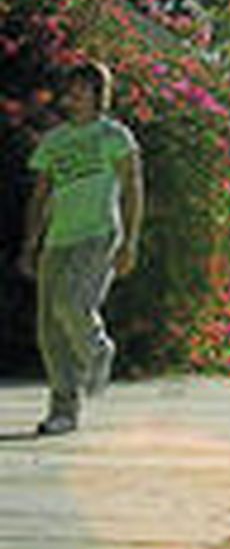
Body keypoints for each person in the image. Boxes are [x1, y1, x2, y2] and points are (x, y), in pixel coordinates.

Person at [17, 61, 143, 436]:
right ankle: (63, 411)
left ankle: (98, 349)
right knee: (49, 330)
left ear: (97, 94)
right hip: (57, 239)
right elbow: (40, 197)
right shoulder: (53, 141)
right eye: (69, 88)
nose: (72, 94)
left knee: (72, 304)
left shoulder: (113, 135)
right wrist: (30, 246)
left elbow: (133, 188)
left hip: (98, 235)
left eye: (81, 88)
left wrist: (130, 241)